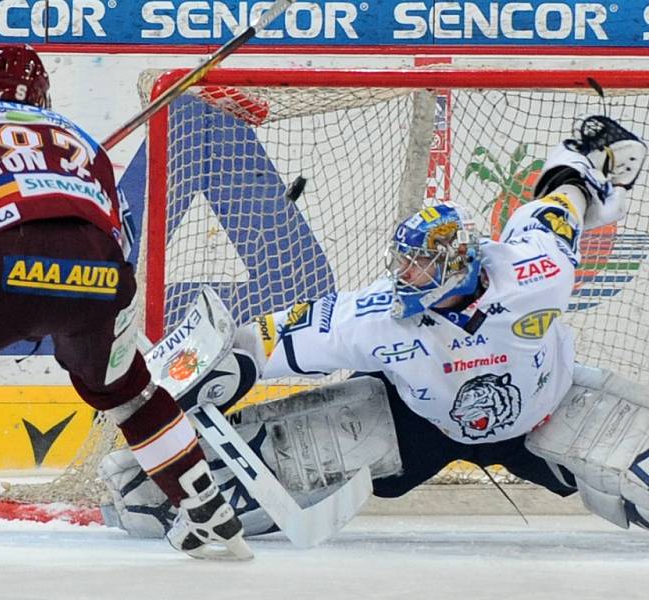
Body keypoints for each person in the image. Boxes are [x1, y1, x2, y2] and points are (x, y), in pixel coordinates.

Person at [101, 114, 649, 538]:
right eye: (403, 262)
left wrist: (581, 158)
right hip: (413, 427)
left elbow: (559, 206)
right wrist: (209, 373)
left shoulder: (537, 273)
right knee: (144, 497)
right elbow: (265, 339)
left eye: (421, 264)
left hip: (547, 415)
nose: (405, 275)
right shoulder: (377, 316)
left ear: (460, 262)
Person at [0, 43, 251, 560]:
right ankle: (211, 514)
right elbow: (123, 242)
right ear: (43, 92)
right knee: (130, 392)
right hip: (101, 277)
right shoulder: (81, 141)